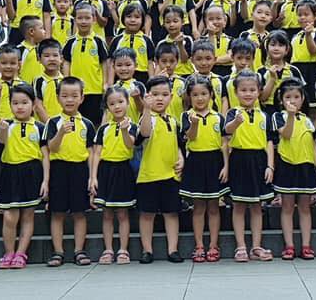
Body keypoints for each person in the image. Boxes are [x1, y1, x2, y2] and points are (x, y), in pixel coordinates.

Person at [0, 84, 49, 270]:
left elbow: (45, 156)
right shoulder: (7, 125)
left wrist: (46, 180)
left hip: (32, 172)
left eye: (24, 102)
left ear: (33, 104)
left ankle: (21, 253)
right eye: (15, 103)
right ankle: (9, 252)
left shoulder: (40, 127)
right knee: (9, 216)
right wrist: (2, 128)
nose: (20, 107)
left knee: (28, 215)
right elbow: (1, 140)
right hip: (10, 172)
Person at [224, 71, 276, 262]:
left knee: (256, 206)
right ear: (236, 92)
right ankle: (240, 247)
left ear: (259, 91)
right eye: (243, 90)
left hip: (259, 161)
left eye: (252, 90)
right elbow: (226, 131)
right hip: (239, 159)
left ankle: (256, 246)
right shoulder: (233, 113)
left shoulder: (264, 115)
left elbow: (269, 141)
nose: (248, 94)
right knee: (238, 205)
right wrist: (236, 122)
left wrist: (270, 166)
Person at [46, 77, 96, 267]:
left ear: (82, 98)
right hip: (58, 169)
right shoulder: (53, 122)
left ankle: (79, 251)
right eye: (65, 95)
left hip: (79, 169)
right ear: (58, 97)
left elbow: (91, 152)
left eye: (74, 96)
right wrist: (60, 133)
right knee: (57, 212)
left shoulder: (87, 124)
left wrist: (92, 177)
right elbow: (51, 148)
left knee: (79, 212)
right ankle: (58, 252)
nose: (69, 99)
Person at [136, 76, 185, 264]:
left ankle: (173, 249)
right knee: (147, 214)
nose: (160, 98)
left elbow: (178, 144)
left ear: (171, 97)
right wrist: (146, 109)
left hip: (170, 175)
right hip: (149, 175)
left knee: (171, 213)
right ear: (147, 96)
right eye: (155, 94)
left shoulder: (173, 120)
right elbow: (145, 133)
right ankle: (147, 250)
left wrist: (181, 158)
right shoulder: (147, 118)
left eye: (164, 95)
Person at [272, 78, 316, 261]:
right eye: (288, 97)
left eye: (296, 97)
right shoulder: (278, 117)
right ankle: (289, 246)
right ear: (281, 100)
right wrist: (291, 116)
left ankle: (306, 246)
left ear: (303, 99)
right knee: (287, 207)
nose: (292, 100)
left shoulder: (308, 120)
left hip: (306, 167)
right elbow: (286, 134)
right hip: (287, 166)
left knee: (305, 208)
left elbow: (314, 147)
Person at [180, 75, 228, 263]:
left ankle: (213, 245)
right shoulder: (187, 116)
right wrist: (194, 124)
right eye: (195, 95)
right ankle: (199, 245)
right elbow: (190, 137)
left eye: (204, 94)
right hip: (196, 162)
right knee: (198, 206)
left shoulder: (219, 117)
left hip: (215, 162)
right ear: (189, 97)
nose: (200, 98)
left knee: (214, 207)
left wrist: (226, 166)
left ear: (211, 95)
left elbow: (224, 143)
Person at [90, 86, 137, 265]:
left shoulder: (132, 126)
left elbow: (130, 145)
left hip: (123, 170)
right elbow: (96, 153)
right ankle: (108, 249)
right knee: (107, 214)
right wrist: (93, 177)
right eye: (112, 103)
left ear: (127, 103)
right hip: (105, 171)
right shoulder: (103, 129)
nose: (117, 106)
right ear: (107, 107)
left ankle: (123, 249)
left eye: (120, 102)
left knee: (123, 213)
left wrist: (124, 130)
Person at [62, 1, 112, 124]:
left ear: (93, 19)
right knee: (75, 121)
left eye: (87, 18)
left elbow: (104, 63)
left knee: (94, 122)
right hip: (75, 91)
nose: (83, 21)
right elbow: (66, 62)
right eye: (80, 18)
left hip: (95, 89)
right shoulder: (70, 42)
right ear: (75, 20)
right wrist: (66, 80)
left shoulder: (98, 41)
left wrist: (105, 83)